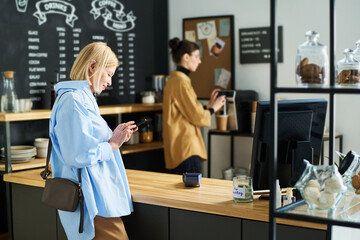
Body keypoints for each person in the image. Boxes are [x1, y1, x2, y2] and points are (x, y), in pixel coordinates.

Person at [49, 42, 136, 240]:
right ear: (93, 66)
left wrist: (113, 137)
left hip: (98, 199)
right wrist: (113, 144)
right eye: (109, 74)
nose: (110, 82)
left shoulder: (82, 99)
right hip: (92, 202)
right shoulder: (73, 100)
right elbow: (77, 155)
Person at [163, 37, 226, 175]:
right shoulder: (181, 82)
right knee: (191, 194)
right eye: (196, 56)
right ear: (186, 57)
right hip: (186, 150)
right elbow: (196, 116)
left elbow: (187, 111)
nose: (199, 61)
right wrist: (213, 108)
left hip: (179, 149)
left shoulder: (175, 80)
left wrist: (207, 106)